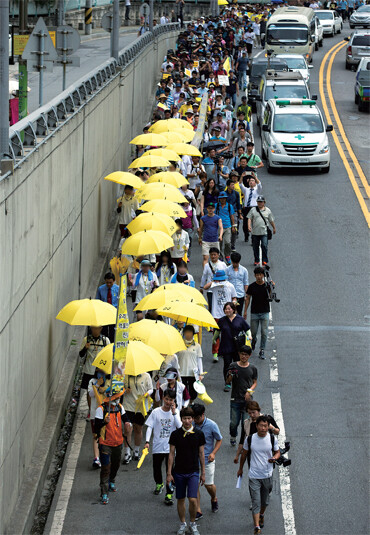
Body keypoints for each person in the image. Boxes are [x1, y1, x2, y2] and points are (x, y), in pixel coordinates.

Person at [237, 416, 280, 535]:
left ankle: (261, 514)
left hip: (267, 475)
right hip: (254, 475)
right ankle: (256, 527)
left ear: (268, 427)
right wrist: (240, 469)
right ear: (256, 426)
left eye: (265, 426)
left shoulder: (272, 438)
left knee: (265, 502)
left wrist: (274, 458)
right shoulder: (250, 439)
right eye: (261, 426)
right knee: (256, 502)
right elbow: (244, 454)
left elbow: (277, 452)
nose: (263, 428)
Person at [167, 407, 206, 535]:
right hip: (178, 471)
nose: (187, 421)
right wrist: (169, 473)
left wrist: (203, 472)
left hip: (193, 471)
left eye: (189, 418)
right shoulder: (175, 434)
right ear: (181, 419)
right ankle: (183, 523)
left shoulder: (199, 434)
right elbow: (171, 454)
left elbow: (201, 453)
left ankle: (193, 523)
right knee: (180, 499)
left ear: (193, 419)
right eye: (185, 418)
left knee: (193, 499)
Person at [144, 389, 182, 505]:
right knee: (156, 468)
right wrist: (147, 442)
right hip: (157, 445)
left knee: (170, 470)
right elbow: (150, 427)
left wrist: (174, 412)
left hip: (171, 448)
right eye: (166, 399)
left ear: (174, 401)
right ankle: (159, 483)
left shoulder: (176, 412)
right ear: (163, 398)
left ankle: (169, 493)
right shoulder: (156, 412)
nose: (168, 402)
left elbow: (180, 427)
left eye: (170, 400)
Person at [94, 386, 131, 504]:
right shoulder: (101, 409)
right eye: (116, 398)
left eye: (119, 397)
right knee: (105, 468)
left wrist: (127, 424)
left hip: (118, 442)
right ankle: (104, 493)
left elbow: (126, 419)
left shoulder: (120, 408)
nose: (118, 400)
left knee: (115, 464)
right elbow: (96, 428)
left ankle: (112, 480)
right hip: (105, 443)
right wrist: (104, 422)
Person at [193, 404, 223, 517]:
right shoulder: (191, 424)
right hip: (193, 460)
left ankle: (213, 497)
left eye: (197, 418)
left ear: (203, 415)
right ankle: (198, 509)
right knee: (194, 485)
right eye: (193, 418)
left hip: (207, 459)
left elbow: (219, 440)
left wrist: (213, 453)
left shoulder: (212, 425)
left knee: (208, 485)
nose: (195, 420)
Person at [225, 345, 258, 446]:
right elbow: (227, 381)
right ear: (239, 354)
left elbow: (255, 382)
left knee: (246, 424)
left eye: (246, 355)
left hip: (248, 402)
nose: (243, 356)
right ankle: (233, 436)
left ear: (249, 356)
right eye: (242, 354)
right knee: (234, 423)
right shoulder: (233, 365)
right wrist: (231, 375)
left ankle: (244, 441)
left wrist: (249, 391)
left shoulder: (252, 368)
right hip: (235, 399)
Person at [203, 270, 237, 362]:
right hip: (216, 314)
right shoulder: (214, 286)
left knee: (228, 334)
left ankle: (226, 351)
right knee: (216, 335)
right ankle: (215, 353)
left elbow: (234, 297)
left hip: (227, 314)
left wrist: (233, 304)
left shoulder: (230, 286)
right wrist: (213, 282)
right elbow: (205, 287)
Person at [233, 401, 280, 465]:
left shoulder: (267, 419)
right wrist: (237, 455)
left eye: (253, 412)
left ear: (258, 410)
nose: (252, 415)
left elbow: (277, 432)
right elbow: (242, 441)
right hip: (252, 454)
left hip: (266, 452)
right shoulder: (246, 423)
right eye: (249, 413)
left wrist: (271, 427)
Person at [217, 302, 250, 389]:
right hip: (226, 346)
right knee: (227, 365)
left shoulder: (240, 319)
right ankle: (227, 382)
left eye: (229, 308)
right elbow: (217, 331)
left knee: (237, 364)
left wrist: (249, 336)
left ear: (233, 309)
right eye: (226, 309)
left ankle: (237, 381)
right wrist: (214, 339)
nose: (227, 310)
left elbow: (247, 329)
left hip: (237, 346)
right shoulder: (222, 320)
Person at [122, 372, 153, 463]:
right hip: (128, 406)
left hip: (141, 407)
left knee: (138, 429)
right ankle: (127, 453)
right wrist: (124, 390)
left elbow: (151, 389)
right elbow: (119, 389)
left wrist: (147, 394)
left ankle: (136, 451)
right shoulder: (125, 375)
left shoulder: (146, 376)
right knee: (128, 429)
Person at [79, 326, 110, 418]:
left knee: (101, 390)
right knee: (90, 392)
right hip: (89, 369)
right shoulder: (86, 339)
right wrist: (85, 348)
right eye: (93, 328)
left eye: (97, 328)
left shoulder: (105, 340)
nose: (95, 330)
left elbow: (109, 354)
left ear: (101, 329)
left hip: (101, 370)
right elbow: (81, 355)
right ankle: (90, 410)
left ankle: (101, 409)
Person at [244, 266, 271, 360]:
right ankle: (254, 341)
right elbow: (247, 298)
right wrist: (245, 311)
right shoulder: (252, 286)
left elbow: (271, 297)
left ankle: (262, 349)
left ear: (263, 275)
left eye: (260, 274)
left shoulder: (267, 286)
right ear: (255, 276)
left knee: (264, 332)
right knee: (253, 332)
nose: (259, 276)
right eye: (257, 275)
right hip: (254, 312)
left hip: (265, 312)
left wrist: (272, 287)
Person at [88, 369, 111, 469]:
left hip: (107, 414)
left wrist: (105, 390)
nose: (101, 374)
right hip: (95, 413)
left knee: (107, 434)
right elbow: (90, 394)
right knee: (96, 435)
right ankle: (96, 458)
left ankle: (105, 455)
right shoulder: (92, 381)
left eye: (103, 372)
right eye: (99, 371)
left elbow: (113, 394)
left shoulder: (110, 382)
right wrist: (97, 385)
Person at [176, 325, 203, 402]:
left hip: (193, 373)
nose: (188, 334)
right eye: (186, 332)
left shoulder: (197, 346)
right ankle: (184, 407)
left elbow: (199, 360)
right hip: (181, 372)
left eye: (190, 332)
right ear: (184, 333)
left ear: (193, 334)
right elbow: (175, 358)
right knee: (182, 391)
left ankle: (191, 403)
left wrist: (200, 373)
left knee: (193, 392)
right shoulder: (179, 345)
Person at [247, 196, 276, 267]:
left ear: (264, 203)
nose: (260, 203)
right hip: (255, 232)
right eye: (258, 202)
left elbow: (271, 220)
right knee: (255, 247)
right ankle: (256, 260)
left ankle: (264, 260)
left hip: (264, 232)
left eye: (261, 202)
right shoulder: (253, 210)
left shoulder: (268, 210)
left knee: (264, 245)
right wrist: (249, 226)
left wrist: (274, 228)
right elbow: (249, 218)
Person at [96, 272, 119, 341]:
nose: (109, 284)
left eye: (110, 283)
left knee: (113, 331)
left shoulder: (118, 289)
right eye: (107, 282)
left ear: (114, 281)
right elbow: (98, 301)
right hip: (104, 312)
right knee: (104, 331)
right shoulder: (100, 289)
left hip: (113, 312)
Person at [215, 191, 235, 265]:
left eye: (224, 198)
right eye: (221, 198)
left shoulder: (229, 206)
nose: (222, 200)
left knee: (227, 242)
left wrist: (233, 226)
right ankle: (220, 256)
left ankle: (227, 255)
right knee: (219, 243)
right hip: (218, 227)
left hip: (227, 226)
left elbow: (232, 216)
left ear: (226, 199)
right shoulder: (216, 206)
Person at [240, 175, 262, 243]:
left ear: (255, 182)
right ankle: (246, 235)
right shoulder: (246, 190)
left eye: (252, 181)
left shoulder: (257, 190)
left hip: (254, 207)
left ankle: (254, 238)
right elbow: (240, 184)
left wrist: (255, 177)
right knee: (245, 224)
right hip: (247, 208)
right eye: (250, 181)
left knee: (254, 224)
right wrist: (242, 176)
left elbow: (259, 184)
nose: (251, 182)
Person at [226, 252, 249, 316]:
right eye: (234, 263)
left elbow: (245, 283)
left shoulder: (244, 270)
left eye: (237, 263)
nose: (235, 264)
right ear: (231, 261)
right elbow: (226, 283)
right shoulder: (227, 270)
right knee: (230, 313)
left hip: (240, 295)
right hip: (230, 295)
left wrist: (246, 295)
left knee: (239, 313)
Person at [225, 179, 242, 251]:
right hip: (225, 212)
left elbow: (238, 204)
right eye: (232, 185)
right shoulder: (224, 194)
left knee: (234, 228)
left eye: (234, 184)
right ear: (228, 186)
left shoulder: (236, 193)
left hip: (234, 212)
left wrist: (240, 214)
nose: (233, 186)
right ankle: (226, 243)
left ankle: (233, 245)